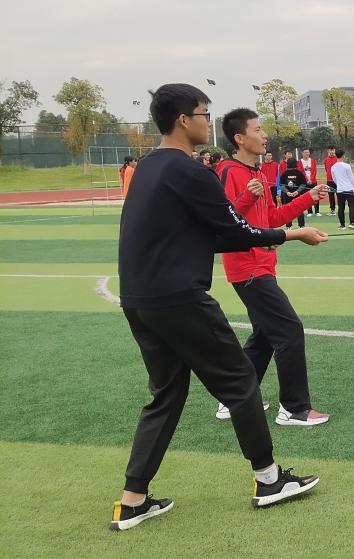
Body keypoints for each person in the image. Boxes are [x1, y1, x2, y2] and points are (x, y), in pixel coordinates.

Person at [108, 83, 324, 532]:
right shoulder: (190, 170)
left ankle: (132, 500)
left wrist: (276, 229)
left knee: (167, 394)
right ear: (183, 120)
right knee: (241, 381)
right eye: (204, 114)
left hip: (140, 300)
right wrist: (293, 234)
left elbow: (210, 234)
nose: (210, 122)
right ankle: (269, 480)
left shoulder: (148, 168)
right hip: (179, 298)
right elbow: (235, 231)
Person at [216, 109, 331, 427]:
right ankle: (294, 408)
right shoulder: (228, 171)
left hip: (264, 266)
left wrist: (308, 197)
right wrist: (245, 198)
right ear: (240, 138)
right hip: (248, 268)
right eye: (258, 129)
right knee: (289, 329)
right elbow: (223, 223)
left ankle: (234, 399)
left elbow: (271, 219)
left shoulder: (258, 172)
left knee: (266, 334)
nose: (264, 135)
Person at [331, 148, 354, 230]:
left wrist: (339, 184)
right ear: (343, 156)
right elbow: (351, 178)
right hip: (349, 188)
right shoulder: (347, 166)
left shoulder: (333, 167)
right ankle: (352, 223)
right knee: (352, 206)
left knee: (341, 207)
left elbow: (334, 179)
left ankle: (342, 225)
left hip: (339, 190)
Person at [280, 158, 310, 227]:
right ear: (296, 164)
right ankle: (301, 226)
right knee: (299, 210)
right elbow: (303, 185)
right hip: (296, 195)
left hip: (289, 195)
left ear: (287, 165)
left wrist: (288, 192)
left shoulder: (284, 173)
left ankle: (288, 227)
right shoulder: (299, 173)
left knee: (288, 210)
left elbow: (282, 185)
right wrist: (296, 192)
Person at [299, 148, 320, 216]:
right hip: (305, 182)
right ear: (302, 153)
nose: (306, 154)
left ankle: (317, 211)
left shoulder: (313, 161)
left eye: (307, 152)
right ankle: (309, 211)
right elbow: (300, 172)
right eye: (305, 152)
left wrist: (311, 179)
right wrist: (307, 180)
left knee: (316, 195)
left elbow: (314, 171)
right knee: (307, 196)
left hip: (313, 181)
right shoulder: (299, 162)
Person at [323, 146, 339, 215]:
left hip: (338, 180)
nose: (332, 151)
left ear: (335, 151)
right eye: (330, 150)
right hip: (329, 181)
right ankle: (332, 210)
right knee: (331, 195)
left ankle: (341, 209)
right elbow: (326, 169)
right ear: (328, 151)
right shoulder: (326, 160)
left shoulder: (337, 159)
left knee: (339, 195)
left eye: (333, 150)